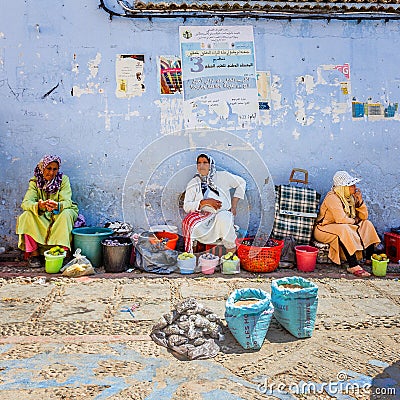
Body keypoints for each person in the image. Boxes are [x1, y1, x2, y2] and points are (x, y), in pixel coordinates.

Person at [313, 170, 380, 277]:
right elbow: (341, 219)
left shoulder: (350, 198)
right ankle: (353, 265)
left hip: (344, 225)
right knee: (344, 229)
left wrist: (360, 201)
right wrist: (354, 221)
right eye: (351, 185)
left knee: (367, 224)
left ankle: (368, 258)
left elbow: (363, 217)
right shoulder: (332, 197)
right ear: (343, 187)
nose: (355, 187)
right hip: (323, 229)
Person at [16, 155, 79, 268]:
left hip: (59, 213)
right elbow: (26, 203)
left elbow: (67, 201)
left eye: (55, 169)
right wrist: (39, 206)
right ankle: (34, 255)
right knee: (26, 215)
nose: (51, 172)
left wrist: (58, 205)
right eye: (49, 168)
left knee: (66, 214)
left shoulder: (63, 180)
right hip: (43, 214)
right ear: (42, 168)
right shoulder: (35, 182)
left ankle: (64, 253)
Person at [182, 153, 246, 254]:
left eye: (205, 163)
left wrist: (234, 205)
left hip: (221, 216)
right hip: (204, 218)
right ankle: (192, 256)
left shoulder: (222, 176)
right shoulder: (194, 182)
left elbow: (241, 183)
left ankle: (231, 257)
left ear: (211, 164)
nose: (201, 166)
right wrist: (204, 202)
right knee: (189, 224)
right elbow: (186, 206)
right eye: (199, 163)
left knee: (224, 218)